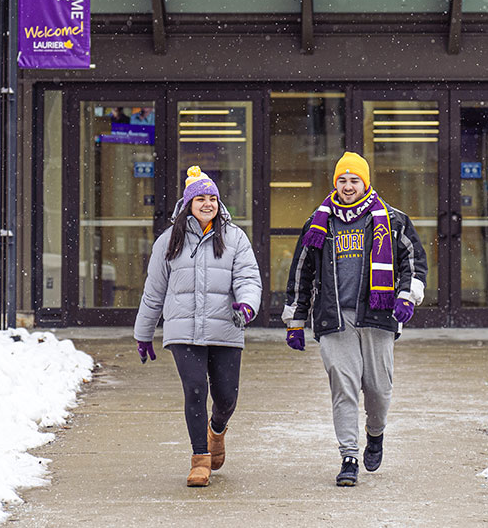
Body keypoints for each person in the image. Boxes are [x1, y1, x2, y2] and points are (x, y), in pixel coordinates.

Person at [282, 151, 427, 487]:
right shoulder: (318, 222)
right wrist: (295, 319)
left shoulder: (392, 219)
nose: (348, 186)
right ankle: (349, 456)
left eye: (354, 180)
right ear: (336, 183)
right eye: (342, 180)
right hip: (335, 319)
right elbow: (301, 272)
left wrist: (407, 295)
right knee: (343, 387)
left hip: (378, 316)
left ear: (365, 182)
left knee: (378, 389)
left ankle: (375, 433)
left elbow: (414, 262)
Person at [134, 166, 262, 487]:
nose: (207, 204)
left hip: (225, 327)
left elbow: (248, 278)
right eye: (200, 198)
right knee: (194, 389)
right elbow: (154, 290)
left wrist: (247, 304)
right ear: (188, 204)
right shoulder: (169, 241)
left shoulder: (235, 238)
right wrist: (143, 333)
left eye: (212, 198)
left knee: (226, 397)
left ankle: (217, 429)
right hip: (183, 329)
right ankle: (199, 459)